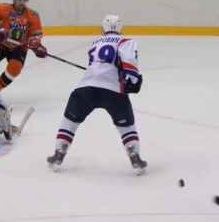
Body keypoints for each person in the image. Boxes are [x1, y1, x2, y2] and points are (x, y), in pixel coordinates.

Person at [46, 14, 147, 174]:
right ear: (120, 29)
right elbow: (129, 63)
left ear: (103, 29)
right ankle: (134, 155)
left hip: (86, 88)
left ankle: (59, 152)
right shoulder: (126, 41)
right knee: (126, 125)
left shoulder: (95, 42)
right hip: (112, 90)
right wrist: (134, 81)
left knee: (70, 121)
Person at [0, 0, 47, 90]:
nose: (21, 2)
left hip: (19, 48)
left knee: (15, 68)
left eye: (24, 0)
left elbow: (35, 35)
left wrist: (36, 45)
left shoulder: (33, 15)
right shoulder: (1, 8)